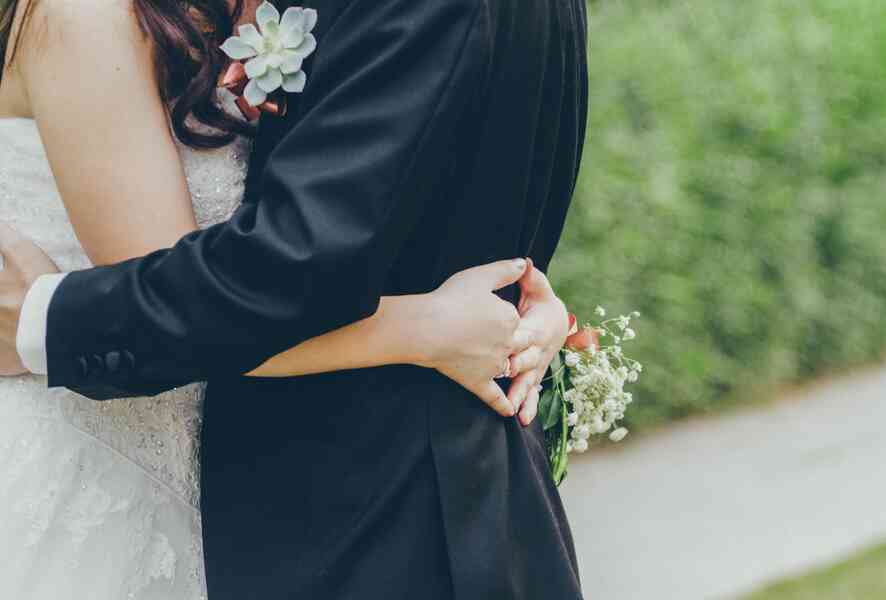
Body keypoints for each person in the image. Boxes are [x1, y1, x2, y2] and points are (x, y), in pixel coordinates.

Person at [0, 0, 587, 598]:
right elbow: (212, 294)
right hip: (112, 459)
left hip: (309, 484)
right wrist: (427, 328)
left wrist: (509, 312)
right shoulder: (83, 17)